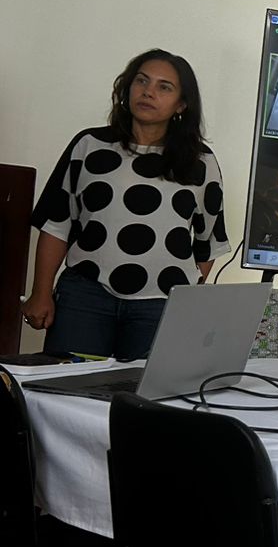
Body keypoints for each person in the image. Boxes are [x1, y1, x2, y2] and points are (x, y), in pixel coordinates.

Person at [22, 49, 229, 359]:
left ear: (181, 104)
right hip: (85, 298)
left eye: (164, 87)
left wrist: (180, 298)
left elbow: (207, 243)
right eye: (141, 81)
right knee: (69, 383)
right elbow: (57, 225)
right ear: (127, 87)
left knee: (143, 389)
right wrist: (41, 293)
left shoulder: (200, 162)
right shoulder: (89, 145)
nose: (148, 92)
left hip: (161, 306)